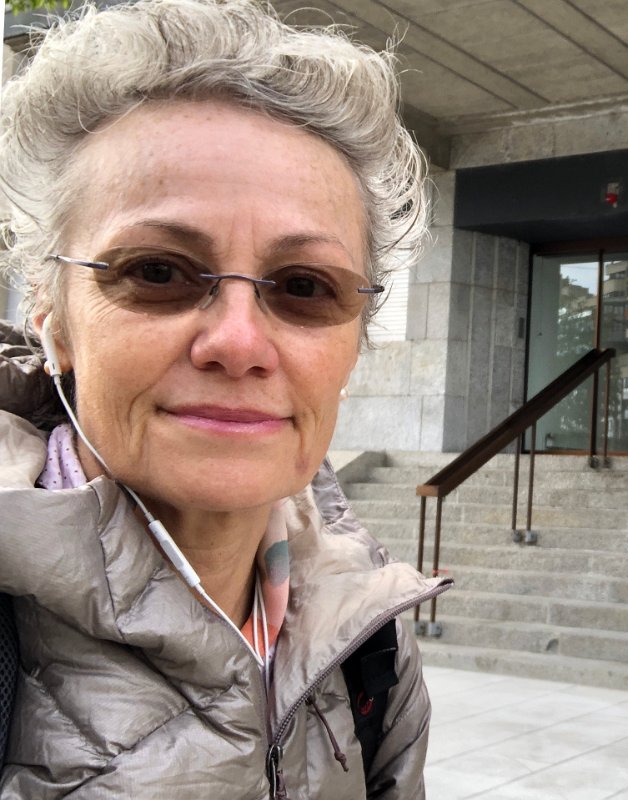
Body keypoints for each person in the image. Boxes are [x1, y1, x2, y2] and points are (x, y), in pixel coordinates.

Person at [0, 0, 452, 796]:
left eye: (304, 286)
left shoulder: (368, 641)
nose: (239, 342)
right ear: (52, 317)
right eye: (157, 272)